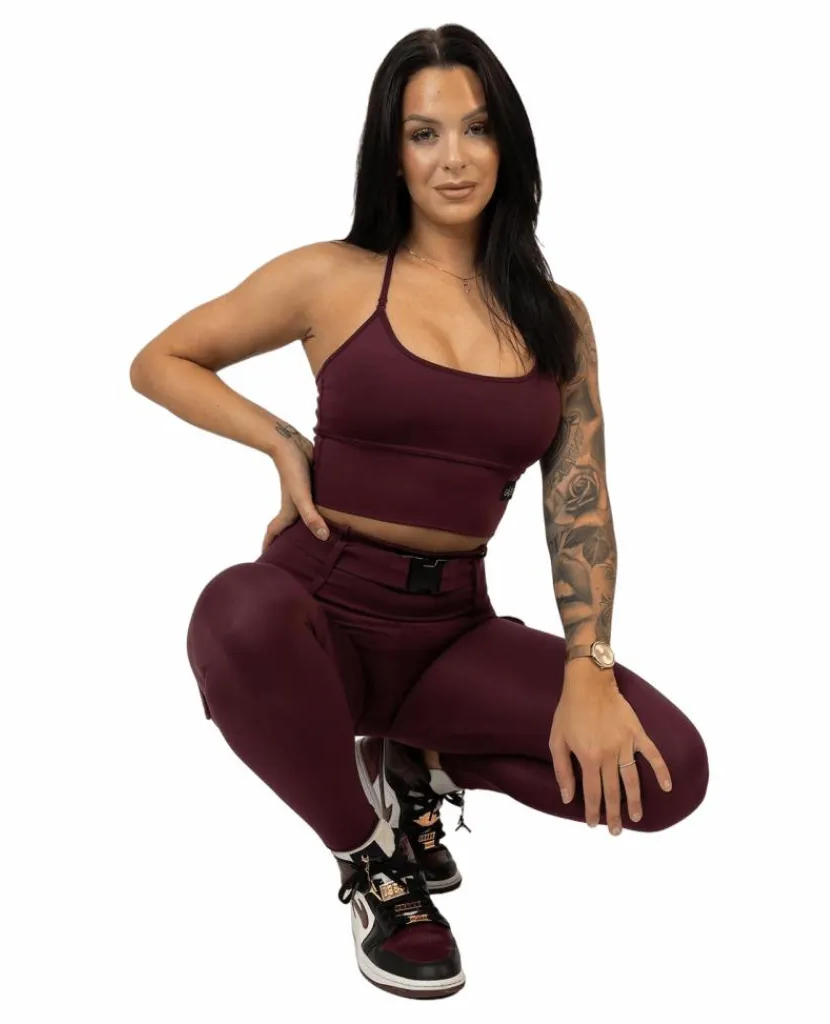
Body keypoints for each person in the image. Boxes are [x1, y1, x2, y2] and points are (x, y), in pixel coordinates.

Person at [129, 23, 709, 1001]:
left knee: (668, 772)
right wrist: (281, 442)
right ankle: (372, 862)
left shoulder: (556, 317)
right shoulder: (332, 277)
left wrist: (590, 664)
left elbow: (580, 500)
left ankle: (418, 762)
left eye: (476, 129)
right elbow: (162, 360)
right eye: (423, 133)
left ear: (507, 144)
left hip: (452, 632)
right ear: (390, 152)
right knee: (234, 610)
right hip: (321, 609)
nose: (453, 158)